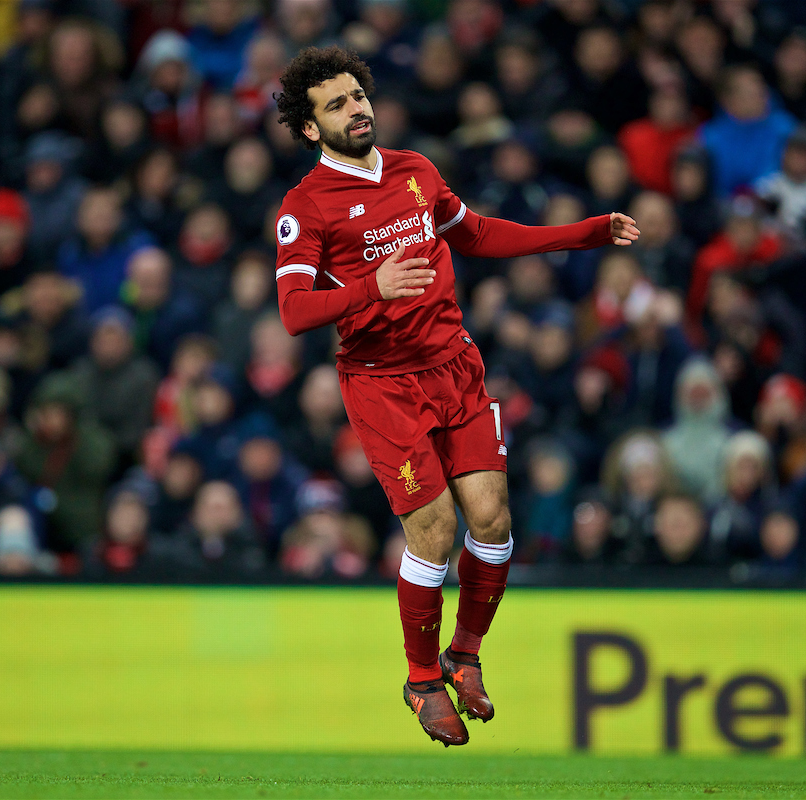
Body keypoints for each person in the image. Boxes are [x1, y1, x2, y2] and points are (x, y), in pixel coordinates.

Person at [272, 46, 638, 747]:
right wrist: (368, 290)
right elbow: (293, 312)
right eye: (338, 105)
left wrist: (586, 233)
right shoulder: (305, 206)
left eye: (359, 96)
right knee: (435, 529)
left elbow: (476, 234)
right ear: (312, 129)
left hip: (455, 366)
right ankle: (419, 679)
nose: (358, 109)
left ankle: (463, 656)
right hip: (381, 382)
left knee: (494, 521)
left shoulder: (416, 171)